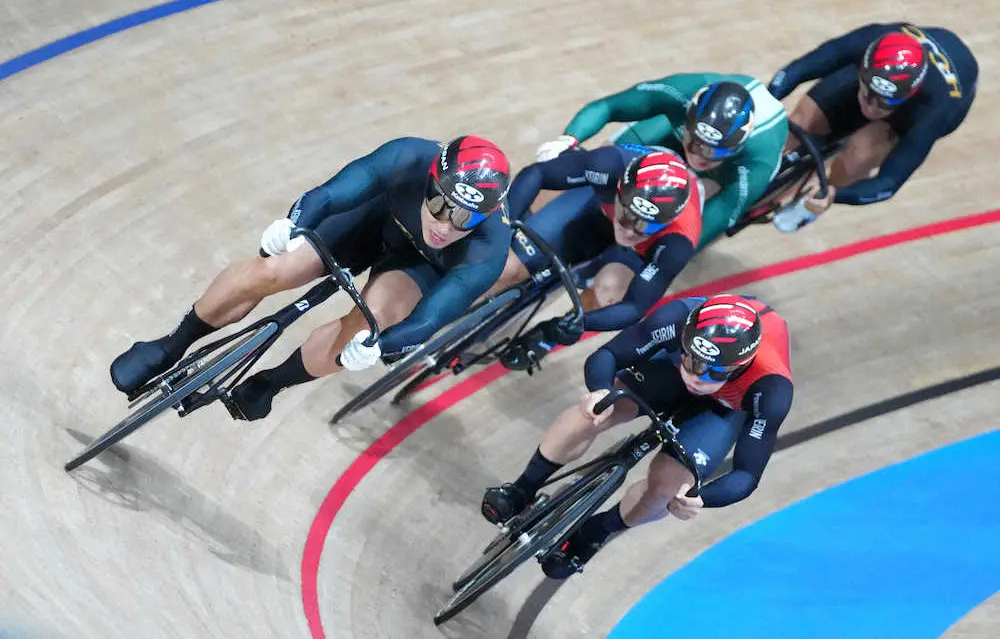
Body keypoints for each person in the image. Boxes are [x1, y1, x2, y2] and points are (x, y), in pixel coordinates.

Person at [109, 136, 512, 420]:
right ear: (429, 180)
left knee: (368, 326)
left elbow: (430, 319)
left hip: (418, 267)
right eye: (439, 205)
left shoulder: (489, 250)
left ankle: (272, 382)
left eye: (463, 219)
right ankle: (171, 344)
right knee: (275, 268)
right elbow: (331, 194)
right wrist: (291, 224)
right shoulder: (406, 155)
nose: (444, 225)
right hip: (371, 221)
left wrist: (380, 345)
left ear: (486, 217)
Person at [481, 294, 793, 579]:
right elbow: (608, 356)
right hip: (666, 374)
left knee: (670, 488)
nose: (697, 378)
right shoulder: (674, 319)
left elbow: (747, 474)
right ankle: (522, 489)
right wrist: (600, 392)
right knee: (594, 411)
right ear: (685, 338)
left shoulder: (771, 390)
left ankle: (596, 532)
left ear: (740, 367)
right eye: (693, 360)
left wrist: (700, 497)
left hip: (725, 409)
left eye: (715, 372)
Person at [493, 145, 703, 371]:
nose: (630, 231)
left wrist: (581, 323)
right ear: (619, 190)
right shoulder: (609, 165)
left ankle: (550, 333)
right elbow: (538, 173)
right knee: (510, 267)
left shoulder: (677, 242)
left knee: (609, 294)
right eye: (628, 216)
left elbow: (634, 307)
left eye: (644, 226)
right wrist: (501, 228)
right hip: (599, 209)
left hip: (639, 250)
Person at [534, 74, 788, 247]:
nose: (698, 157)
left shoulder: (756, 162)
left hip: (724, 174)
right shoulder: (683, 92)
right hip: (670, 135)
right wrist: (568, 140)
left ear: (735, 148)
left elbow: (701, 230)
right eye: (694, 143)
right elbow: (609, 107)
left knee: (672, 219)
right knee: (599, 160)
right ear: (687, 120)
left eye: (713, 152)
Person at [767, 22, 978, 230]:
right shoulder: (869, 40)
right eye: (869, 95)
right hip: (881, 74)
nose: (872, 108)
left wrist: (835, 194)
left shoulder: (933, 108)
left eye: (886, 102)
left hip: (933, 105)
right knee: (800, 122)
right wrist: (767, 99)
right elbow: (799, 68)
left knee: (858, 157)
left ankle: (810, 206)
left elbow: (888, 183)